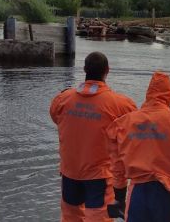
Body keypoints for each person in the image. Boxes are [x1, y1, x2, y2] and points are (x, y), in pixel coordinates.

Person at [107, 71, 170, 222]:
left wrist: (120, 196)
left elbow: (117, 165)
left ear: (148, 93)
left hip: (137, 195)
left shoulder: (124, 123)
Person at [50, 51, 137, 222]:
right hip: (100, 175)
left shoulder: (63, 99)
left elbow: (55, 118)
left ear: (84, 69)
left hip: (70, 171)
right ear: (107, 70)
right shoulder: (121, 104)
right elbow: (134, 133)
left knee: (70, 216)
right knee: (99, 217)